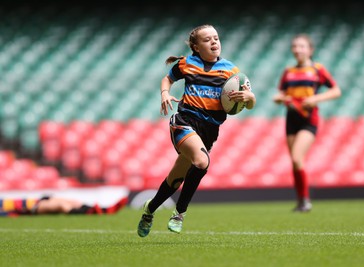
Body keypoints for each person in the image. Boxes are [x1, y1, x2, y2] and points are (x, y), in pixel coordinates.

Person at [136, 24, 256, 237]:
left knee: (176, 177)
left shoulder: (231, 71)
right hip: (184, 121)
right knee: (202, 163)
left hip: (209, 130)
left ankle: (150, 209)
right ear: (196, 46)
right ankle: (179, 213)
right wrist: (165, 93)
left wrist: (250, 99)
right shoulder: (187, 63)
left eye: (216, 38)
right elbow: (168, 78)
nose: (214, 42)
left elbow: (248, 100)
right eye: (207, 39)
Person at [273, 34, 341, 212]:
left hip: (309, 118)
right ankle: (302, 200)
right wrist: (281, 99)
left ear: (310, 50)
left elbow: (336, 90)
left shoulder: (318, 69)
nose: (297, 49)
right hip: (291, 118)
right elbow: (280, 94)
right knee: (296, 162)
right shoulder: (288, 71)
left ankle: (305, 200)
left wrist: (315, 99)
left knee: (297, 157)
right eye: (295, 46)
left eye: (302, 46)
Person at [0, 195, 128, 216]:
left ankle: (104, 209)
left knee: (73, 202)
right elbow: (6, 212)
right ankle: (91, 212)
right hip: (26, 209)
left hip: (34, 201)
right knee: (62, 205)